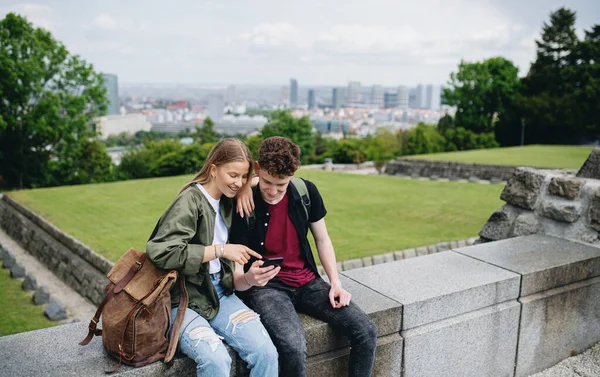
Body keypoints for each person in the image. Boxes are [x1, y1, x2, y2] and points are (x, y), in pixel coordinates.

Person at [230, 136, 378, 377]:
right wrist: (248, 277)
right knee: (293, 348)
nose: (274, 192)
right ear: (257, 168)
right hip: (266, 287)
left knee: (366, 331)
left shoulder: (305, 190)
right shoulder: (244, 201)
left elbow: (322, 239)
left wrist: (336, 283)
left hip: (308, 281)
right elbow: (235, 262)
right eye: (267, 182)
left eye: (282, 185)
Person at [146, 138, 279, 377]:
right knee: (216, 361)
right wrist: (220, 250)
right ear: (213, 169)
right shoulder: (190, 201)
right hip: (183, 299)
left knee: (266, 353)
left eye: (243, 177)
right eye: (233, 175)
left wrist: (250, 278)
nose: (238, 183)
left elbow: (274, 181)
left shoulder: (229, 201)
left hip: (221, 293)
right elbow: (161, 251)